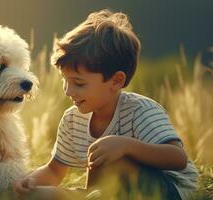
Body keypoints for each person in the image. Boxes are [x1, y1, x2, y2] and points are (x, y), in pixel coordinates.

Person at [13, 9, 198, 200]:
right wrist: (29, 182)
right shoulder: (72, 119)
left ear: (116, 81)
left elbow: (178, 158)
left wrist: (126, 146)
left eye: (79, 83)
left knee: (117, 164)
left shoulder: (140, 110)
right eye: (64, 80)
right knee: (33, 195)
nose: (68, 91)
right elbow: (54, 171)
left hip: (166, 188)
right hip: (103, 191)